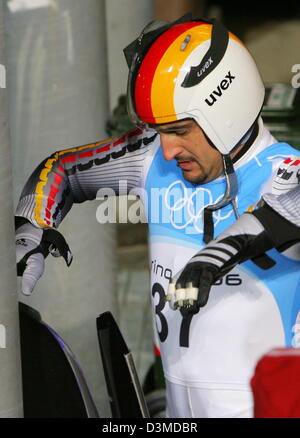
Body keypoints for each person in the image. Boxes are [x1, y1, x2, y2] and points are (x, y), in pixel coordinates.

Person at [15, 14, 300, 418]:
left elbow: (290, 204)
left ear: (227, 111)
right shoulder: (152, 158)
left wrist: (219, 253)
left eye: (180, 130)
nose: (166, 149)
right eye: (158, 130)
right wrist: (32, 224)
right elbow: (64, 169)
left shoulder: (285, 169)